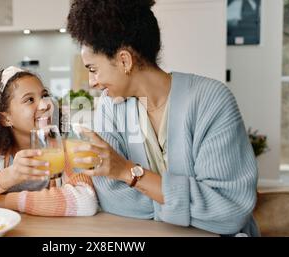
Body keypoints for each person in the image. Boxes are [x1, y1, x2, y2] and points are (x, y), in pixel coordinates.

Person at [66, 0, 259, 236]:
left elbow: (229, 212)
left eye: (93, 69)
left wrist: (128, 173)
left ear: (125, 60)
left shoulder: (211, 101)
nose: (91, 82)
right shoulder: (111, 106)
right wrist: (184, 204)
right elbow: (110, 196)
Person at [0, 66, 97, 217]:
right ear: (5, 118)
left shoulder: (62, 149)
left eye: (44, 95)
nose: (45, 105)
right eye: (30, 100)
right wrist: (11, 174)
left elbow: (86, 201)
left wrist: (5, 202)